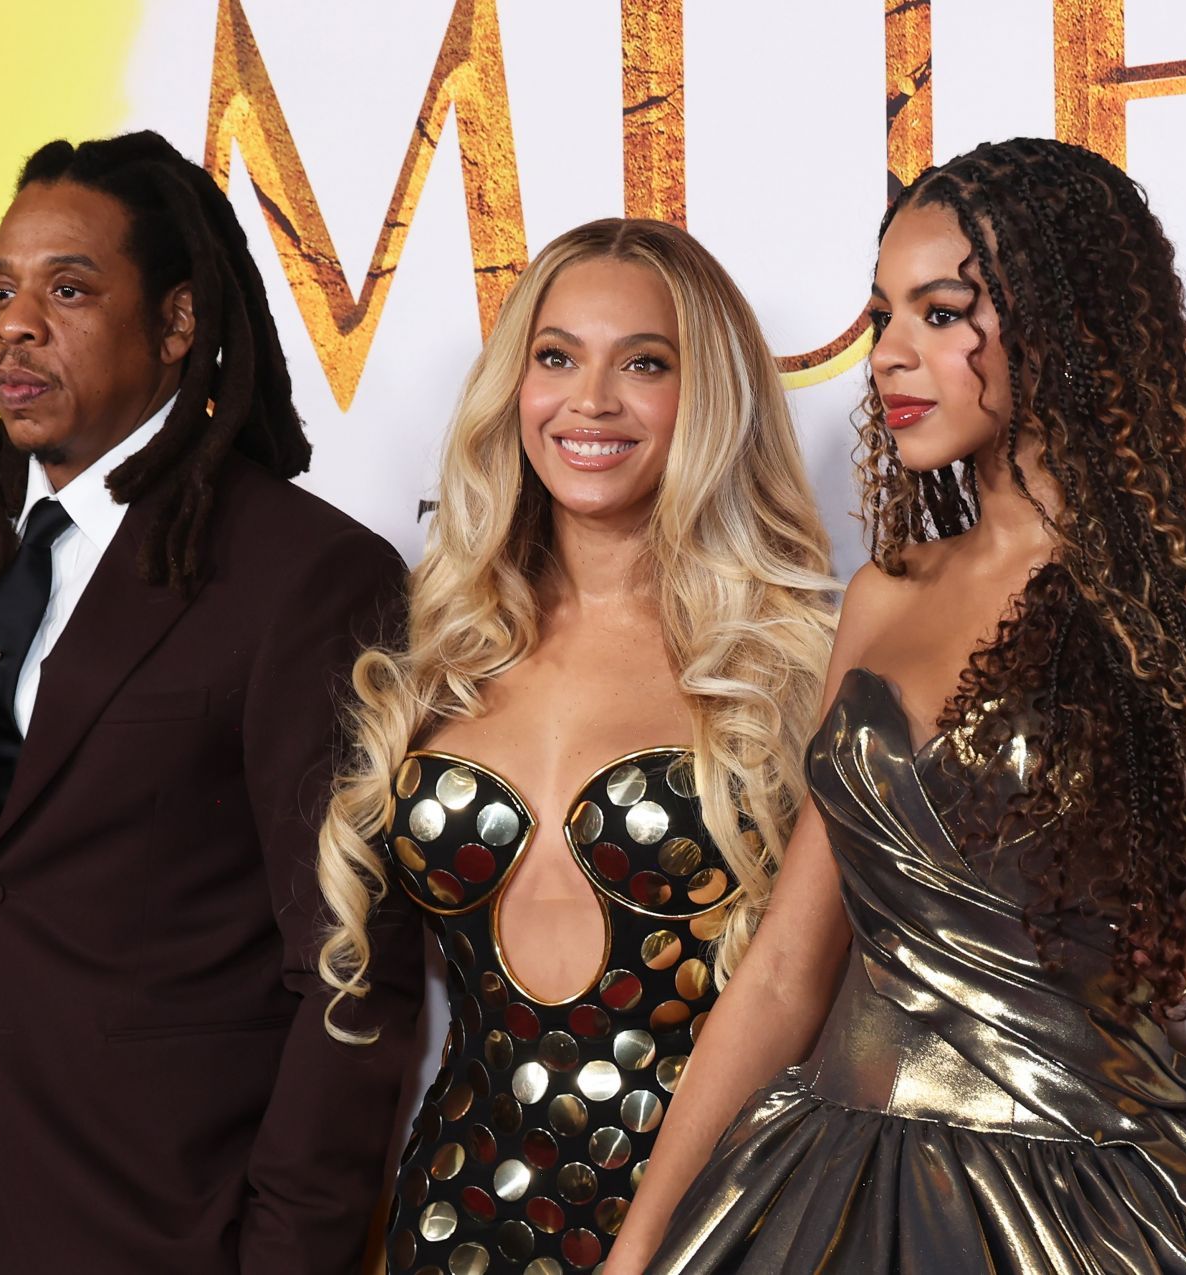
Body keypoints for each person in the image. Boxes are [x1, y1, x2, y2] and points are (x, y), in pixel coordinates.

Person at [604, 137, 1186, 1274]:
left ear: (1069, 323)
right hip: (830, 1201)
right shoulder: (884, 596)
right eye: (883, 314)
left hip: (1104, 1218)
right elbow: (789, 974)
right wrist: (638, 1249)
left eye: (941, 313)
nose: (890, 355)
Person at [0, 130, 424, 1274]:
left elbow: (350, 968)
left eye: (69, 289)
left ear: (180, 323)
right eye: (0, 290)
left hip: (180, 1224)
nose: (15, 325)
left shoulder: (302, 572)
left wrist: (286, 1257)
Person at [315, 218, 837, 1275]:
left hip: (728, 1227)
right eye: (556, 357)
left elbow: (815, 991)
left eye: (644, 363)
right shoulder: (443, 654)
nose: (589, 400)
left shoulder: (792, 670)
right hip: (459, 1218)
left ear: (710, 398)